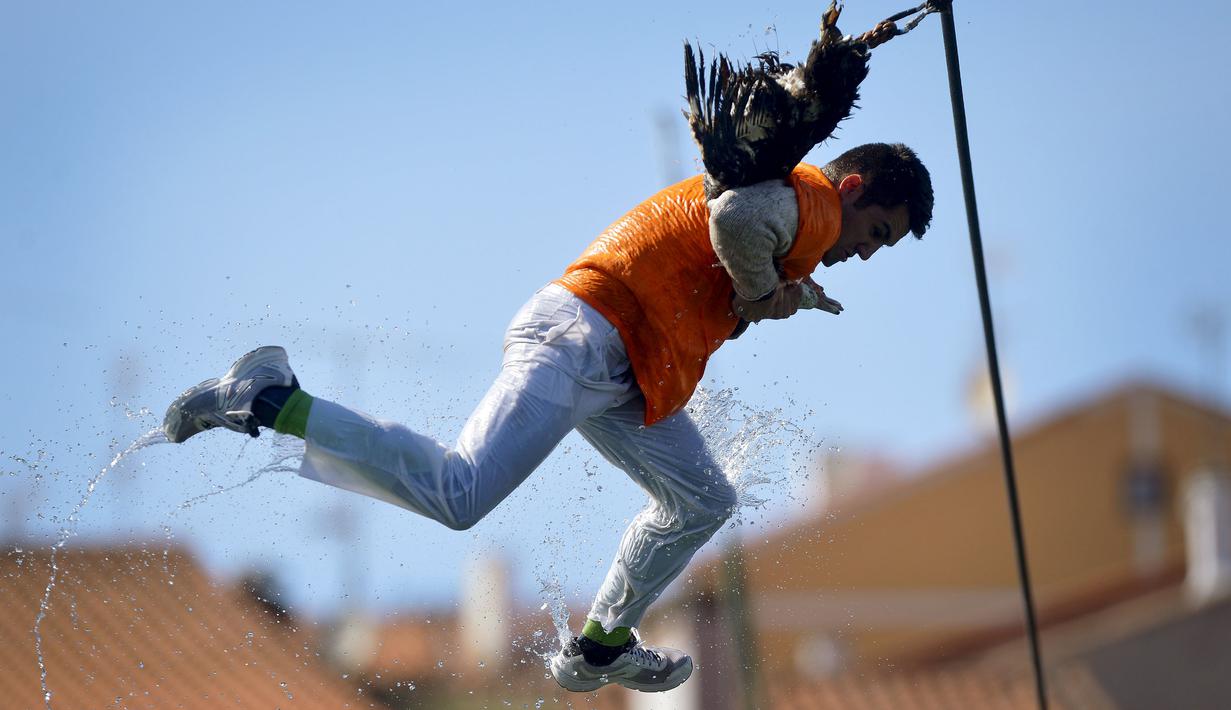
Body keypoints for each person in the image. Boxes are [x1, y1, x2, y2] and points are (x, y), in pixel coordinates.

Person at [163, 141, 933, 693]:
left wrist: (779, 292)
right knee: (459, 495)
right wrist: (770, 292)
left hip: (624, 369)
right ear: (856, 188)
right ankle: (267, 396)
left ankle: (599, 647)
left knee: (702, 499)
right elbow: (734, 220)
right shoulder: (814, 204)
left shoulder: (798, 216)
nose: (864, 253)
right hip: (582, 339)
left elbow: (738, 245)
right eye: (878, 235)